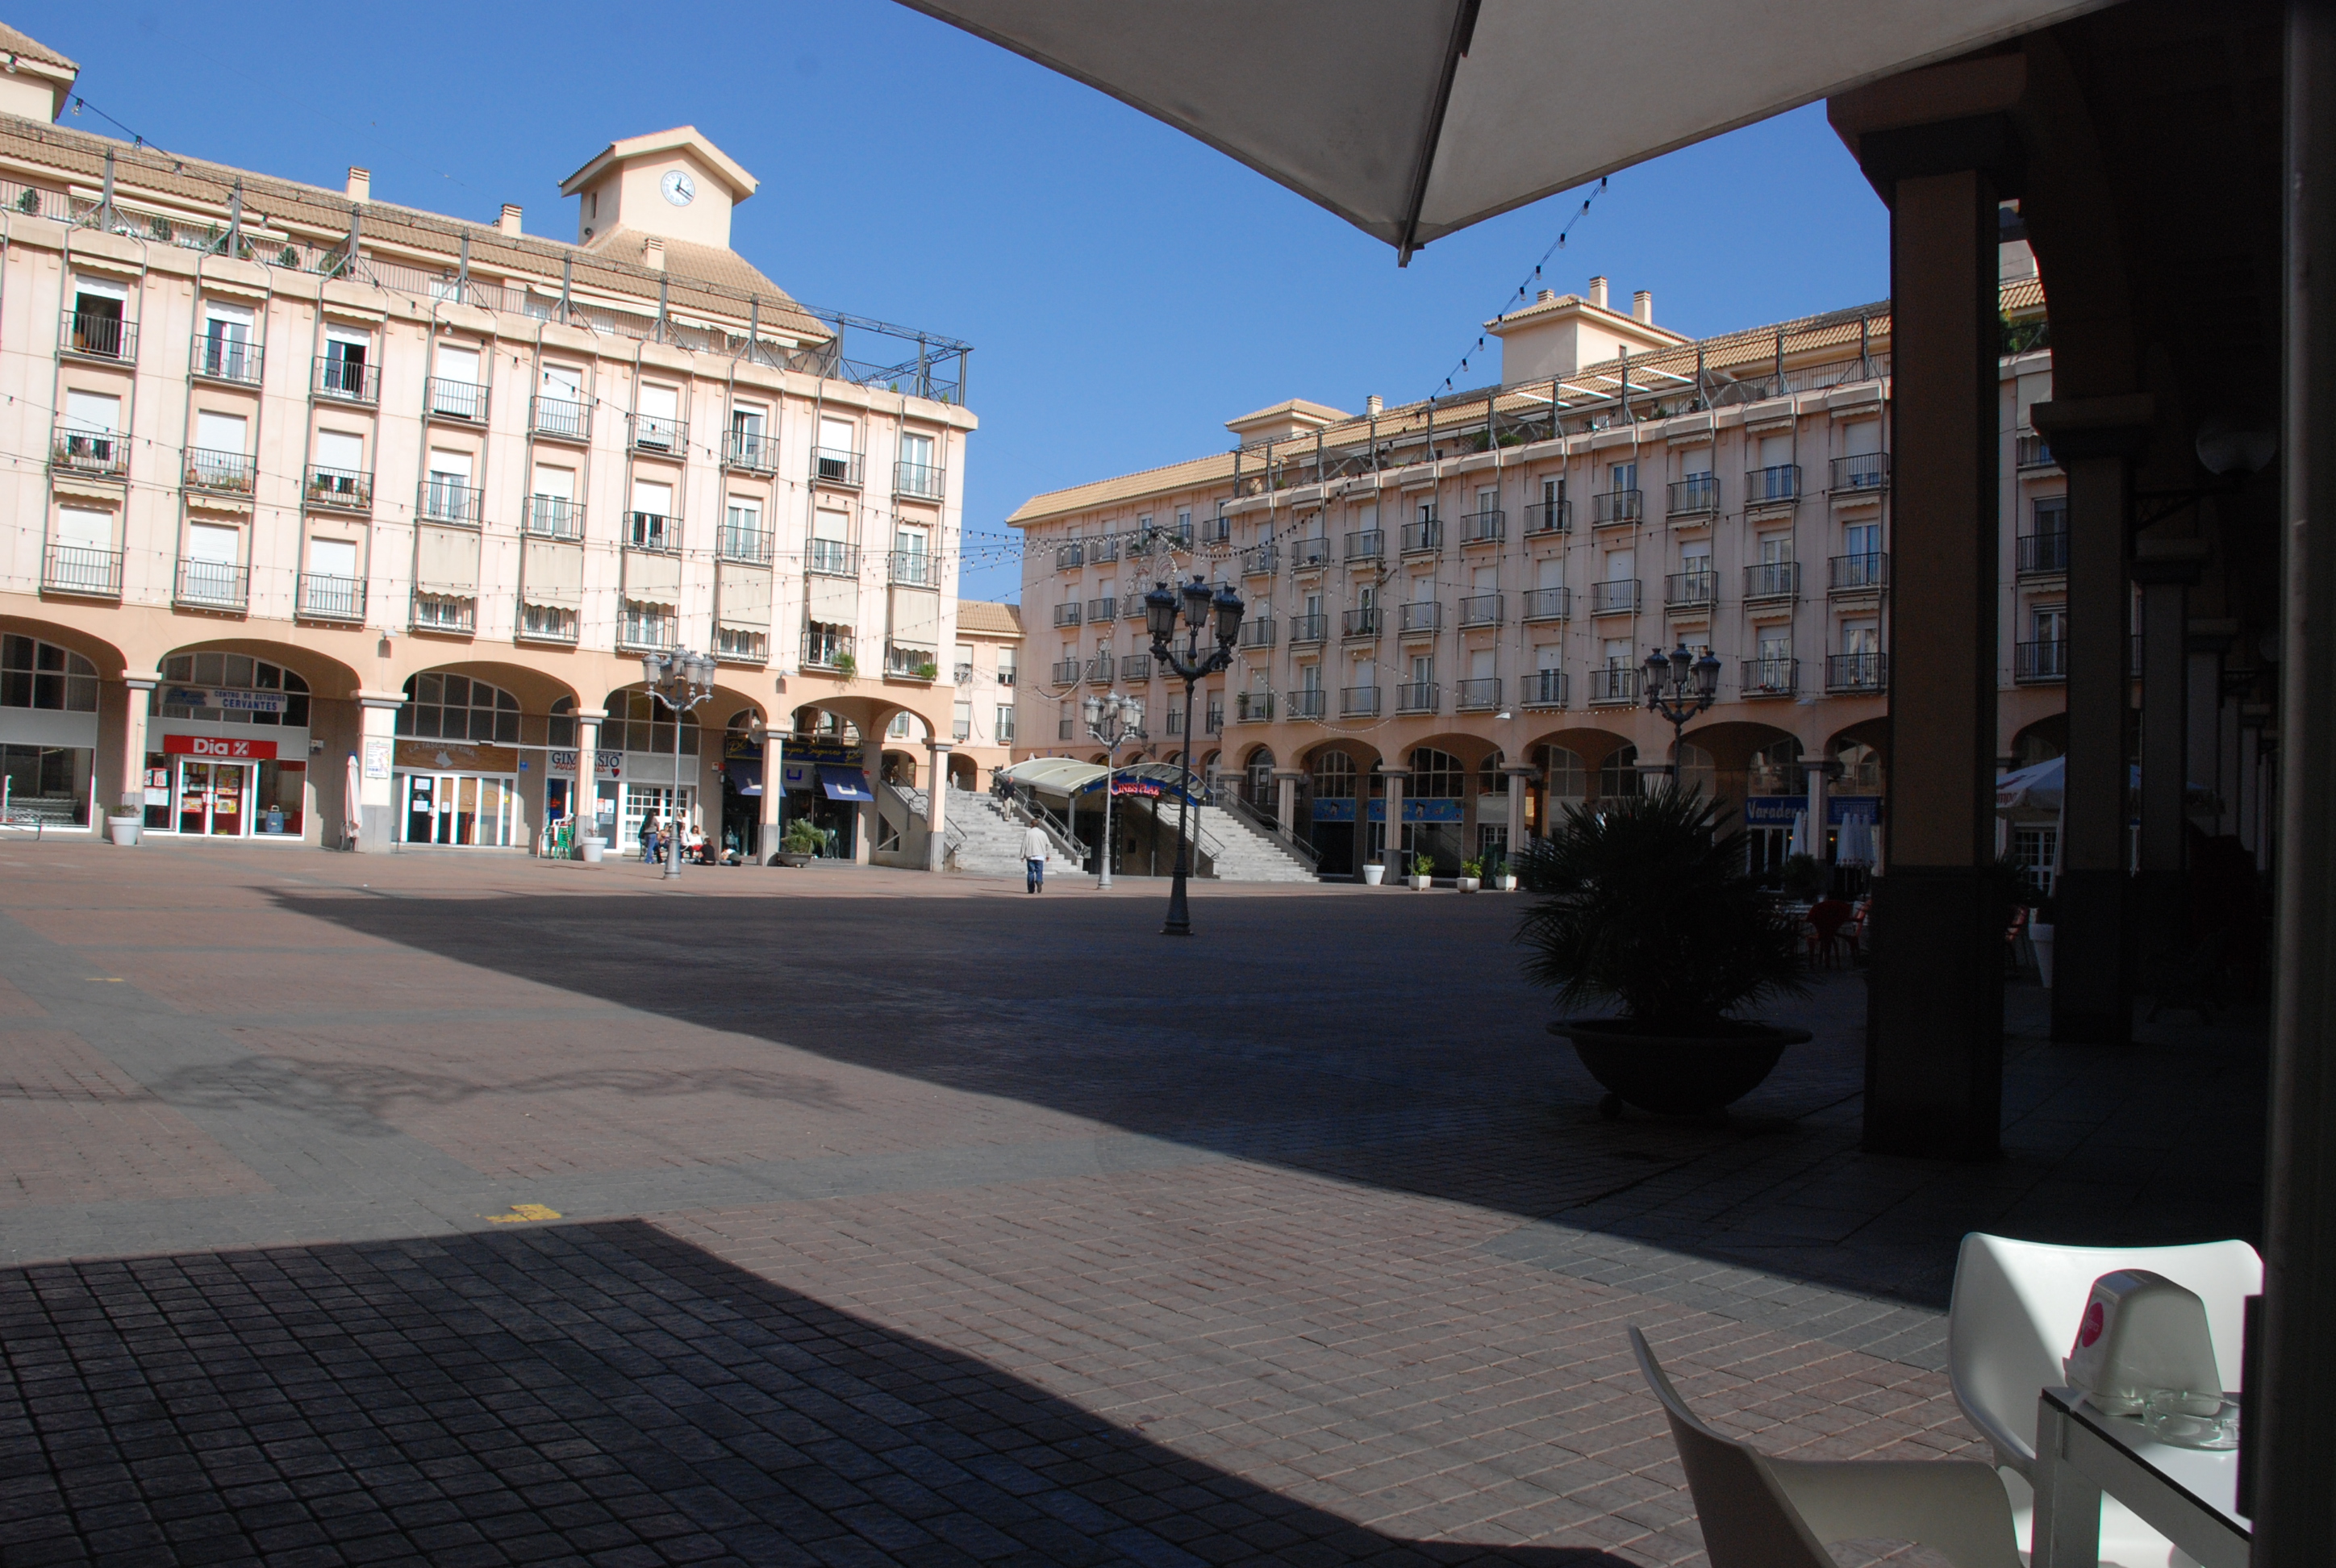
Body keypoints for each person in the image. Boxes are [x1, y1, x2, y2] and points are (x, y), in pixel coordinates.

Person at [1023, 821, 1049, 893]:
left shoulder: (1028, 833)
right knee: (1039, 871)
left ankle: (1031, 889)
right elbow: (1048, 844)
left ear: (1032, 825)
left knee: (1031, 872)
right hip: (1040, 856)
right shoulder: (1043, 833)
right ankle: (1039, 880)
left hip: (1030, 856)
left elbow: (1024, 845)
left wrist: (1022, 856)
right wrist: (1048, 855)